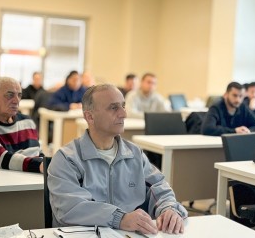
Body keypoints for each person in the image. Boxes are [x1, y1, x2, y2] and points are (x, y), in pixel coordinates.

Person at [47, 84, 187, 234]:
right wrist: (119, 218)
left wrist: (169, 209)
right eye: (114, 108)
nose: (123, 114)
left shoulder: (134, 153)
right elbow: (70, 208)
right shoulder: (66, 159)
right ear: (90, 116)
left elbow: (158, 187)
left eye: (123, 106)